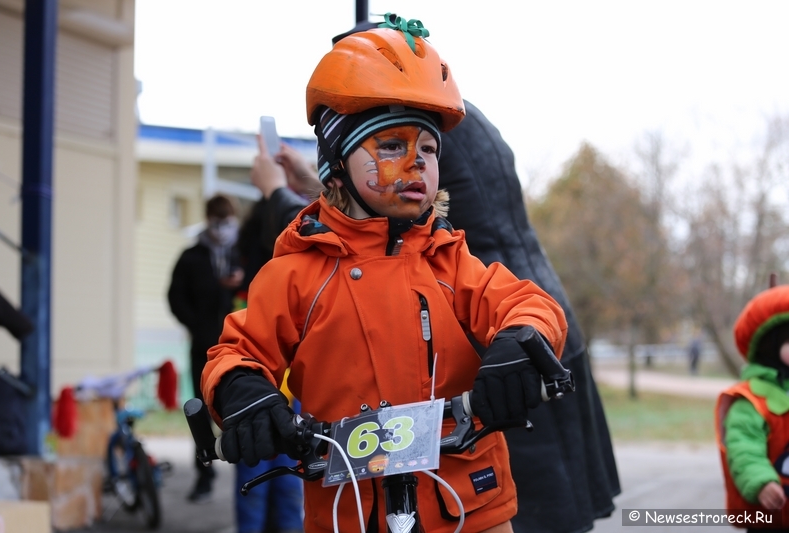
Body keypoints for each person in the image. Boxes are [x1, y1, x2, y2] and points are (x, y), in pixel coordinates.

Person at [201, 18, 567, 533]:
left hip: (469, 507)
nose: (417, 165)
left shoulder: (448, 261)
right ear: (335, 161)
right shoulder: (295, 274)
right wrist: (242, 390)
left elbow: (525, 302)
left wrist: (520, 341)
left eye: (429, 149)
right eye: (392, 146)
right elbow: (236, 351)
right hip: (350, 511)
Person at [438, 100, 621, 533]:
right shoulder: (469, 116)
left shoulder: (422, 122)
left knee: (537, 513)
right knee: (562, 509)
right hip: (539, 309)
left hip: (500, 327)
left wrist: (283, 196)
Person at [230, 138, 313, 533]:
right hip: (266, 375)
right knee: (275, 473)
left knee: (276, 475)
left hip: (287, 381)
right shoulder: (291, 246)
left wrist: (280, 189)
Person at [168, 194, 243, 502]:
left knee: (238, 407)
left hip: (240, 346)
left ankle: (244, 471)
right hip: (203, 346)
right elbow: (175, 297)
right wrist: (196, 326)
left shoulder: (243, 252)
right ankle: (204, 473)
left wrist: (241, 282)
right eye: (216, 221)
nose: (221, 228)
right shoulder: (191, 256)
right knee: (199, 411)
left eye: (226, 221)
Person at [717, 285, 789, 531]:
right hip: (773, 517)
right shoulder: (751, 401)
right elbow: (743, 447)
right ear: (771, 345)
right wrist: (760, 482)